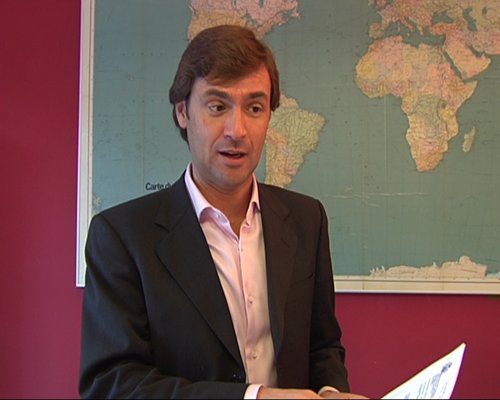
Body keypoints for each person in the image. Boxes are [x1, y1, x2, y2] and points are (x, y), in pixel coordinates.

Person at [79, 24, 367, 399]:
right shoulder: (122, 236)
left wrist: (330, 392)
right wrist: (253, 398)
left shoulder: (306, 220)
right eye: (217, 107)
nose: (237, 130)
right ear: (183, 112)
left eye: (255, 108)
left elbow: (323, 346)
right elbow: (112, 384)